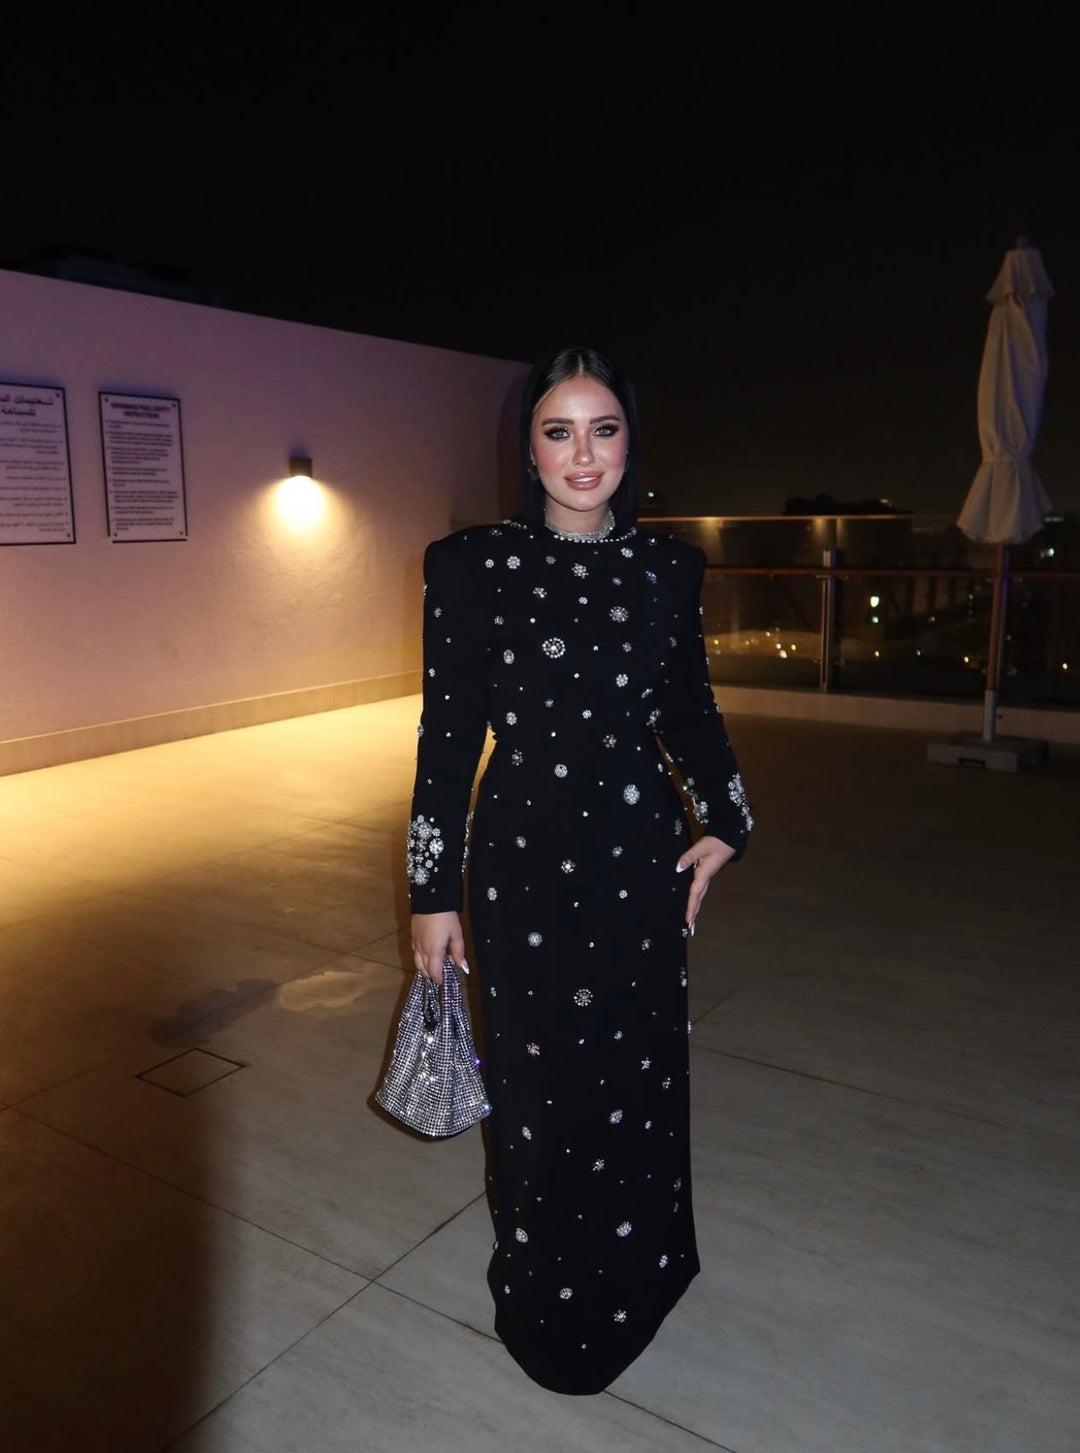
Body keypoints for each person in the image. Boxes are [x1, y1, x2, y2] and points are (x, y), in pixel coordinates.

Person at [407, 345, 752, 1395]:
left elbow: (689, 709)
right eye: (559, 431)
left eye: (603, 429)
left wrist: (729, 819)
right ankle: (556, 1306)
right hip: (521, 865)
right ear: (529, 449)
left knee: (639, 1077)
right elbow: (445, 740)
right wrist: (431, 894)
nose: (583, 453)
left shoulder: (667, 569)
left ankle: (643, 1272)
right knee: (542, 1093)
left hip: (639, 859)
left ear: (630, 443)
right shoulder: (471, 567)